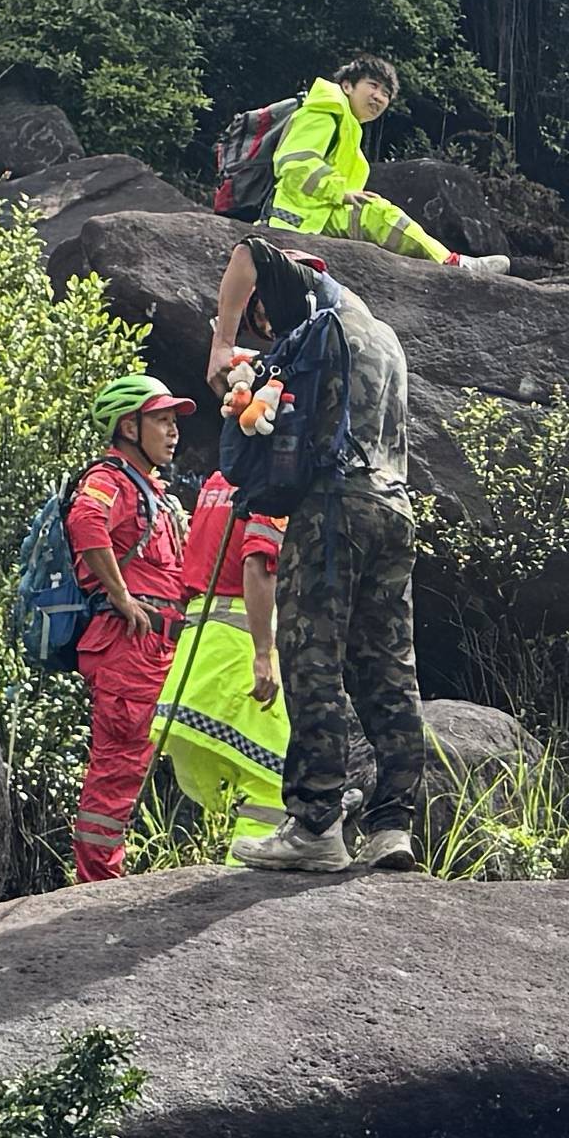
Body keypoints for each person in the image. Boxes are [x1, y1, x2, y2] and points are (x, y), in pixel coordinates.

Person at [200, 236, 433, 870]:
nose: (266, 328)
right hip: (394, 506)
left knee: (312, 657)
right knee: (387, 665)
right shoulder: (382, 338)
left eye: (263, 319)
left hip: (334, 507)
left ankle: (315, 824)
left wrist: (222, 343)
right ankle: (393, 825)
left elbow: (248, 251)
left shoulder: (317, 302)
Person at [61, 373, 191, 880]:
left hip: (158, 647)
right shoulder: (108, 479)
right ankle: (98, 883)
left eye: (174, 420)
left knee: (138, 764)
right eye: (161, 419)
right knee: (119, 762)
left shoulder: (152, 491)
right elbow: (85, 523)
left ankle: (109, 873)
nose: (173, 430)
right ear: (128, 426)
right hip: (126, 644)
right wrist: (120, 596)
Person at [147, 457, 293, 863]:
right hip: (237, 652)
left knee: (231, 782)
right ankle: (245, 879)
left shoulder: (218, 481)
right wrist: (264, 654)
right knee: (277, 780)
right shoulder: (271, 483)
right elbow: (258, 565)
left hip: (197, 658)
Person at [261, 55, 455, 265]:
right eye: (373, 85)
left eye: (385, 93)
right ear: (347, 86)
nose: (379, 97)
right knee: (374, 212)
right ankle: (448, 262)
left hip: (318, 216)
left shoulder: (349, 132)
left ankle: (443, 261)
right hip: (296, 218)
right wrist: (340, 192)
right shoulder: (323, 111)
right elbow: (295, 164)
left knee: (373, 211)